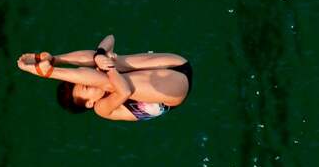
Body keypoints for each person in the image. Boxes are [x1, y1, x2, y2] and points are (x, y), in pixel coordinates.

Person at [16, 34, 192, 121]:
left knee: (100, 59)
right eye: (85, 86)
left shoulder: (99, 74)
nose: (87, 81)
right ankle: (49, 72)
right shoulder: (101, 109)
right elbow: (124, 91)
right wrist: (108, 67)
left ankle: (55, 59)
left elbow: (110, 38)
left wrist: (100, 55)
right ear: (89, 103)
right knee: (111, 82)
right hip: (174, 91)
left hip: (177, 65)